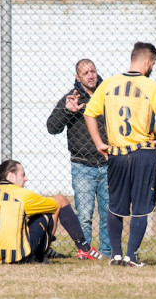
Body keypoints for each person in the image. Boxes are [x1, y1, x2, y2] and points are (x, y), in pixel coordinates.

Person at [84, 42, 156, 267]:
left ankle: (115, 255)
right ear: (147, 61)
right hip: (143, 152)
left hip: (117, 153)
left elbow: (89, 113)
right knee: (141, 206)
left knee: (116, 205)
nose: (152, 66)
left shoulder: (108, 84)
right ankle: (131, 255)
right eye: (153, 62)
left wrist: (99, 143)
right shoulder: (151, 87)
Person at [0, 160, 104, 264]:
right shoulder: (21, 194)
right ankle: (83, 248)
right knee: (56, 202)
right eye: (23, 174)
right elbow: (56, 204)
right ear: (11, 176)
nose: (26, 178)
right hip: (17, 257)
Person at [47, 58, 111, 257]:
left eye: (93, 71)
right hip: (82, 165)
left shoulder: (107, 94)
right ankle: (85, 251)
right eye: (85, 73)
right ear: (78, 77)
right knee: (84, 215)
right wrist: (67, 111)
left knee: (109, 213)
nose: (91, 75)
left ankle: (107, 251)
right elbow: (52, 127)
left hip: (108, 163)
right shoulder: (72, 97)